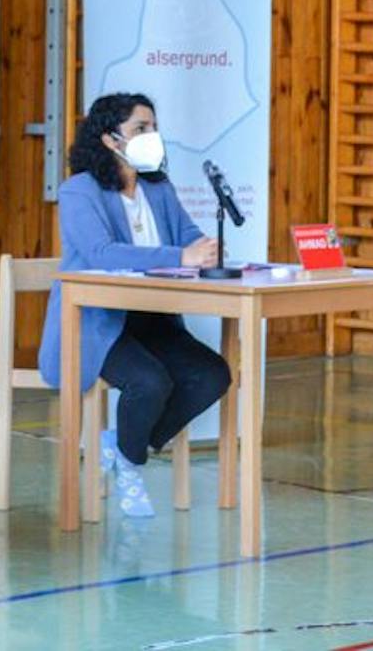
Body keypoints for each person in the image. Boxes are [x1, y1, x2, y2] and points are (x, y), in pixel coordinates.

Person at [38, 92, 231, 518]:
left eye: (154, 128)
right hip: (99, 321)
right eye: (141, 129)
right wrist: (180, 257)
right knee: (150, 381)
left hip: (152, 317)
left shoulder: (158, 188)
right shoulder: (78, 191)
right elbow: (101, 253)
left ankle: (124, 448)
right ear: (110, 139)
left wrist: (206, 250)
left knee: (212, 375)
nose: (152, 136)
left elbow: (189, 237)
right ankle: (130, 466)